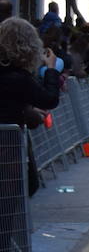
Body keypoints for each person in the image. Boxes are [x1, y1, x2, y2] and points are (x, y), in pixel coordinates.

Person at [0, 18, 63, 199]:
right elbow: (49, 99)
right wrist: (51, 69)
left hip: (11, 137)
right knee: (20, 188)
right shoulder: (19, 78)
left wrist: (28, 111)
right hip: (9, 144)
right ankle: (11, 227)